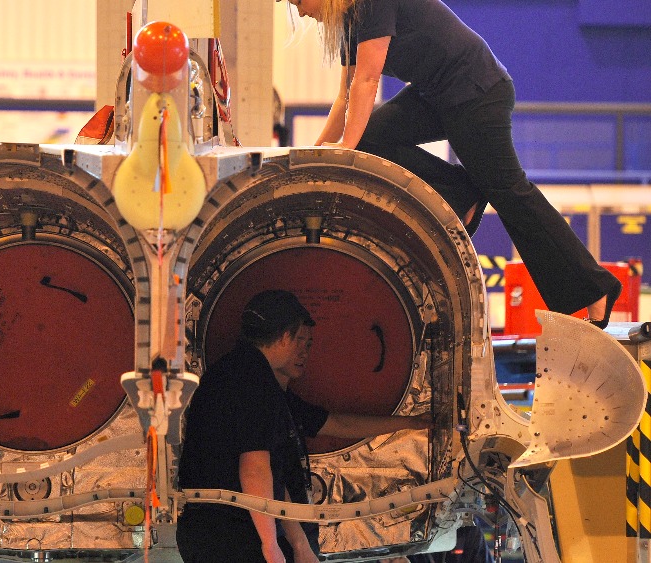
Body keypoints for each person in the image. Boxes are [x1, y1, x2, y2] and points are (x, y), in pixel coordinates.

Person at [282, 0, 621, 328]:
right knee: (368, 139)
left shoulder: (371, 2)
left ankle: (596, 288)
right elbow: (346, 95)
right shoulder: (349, 22)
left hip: (477, 90)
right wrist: (317, 154)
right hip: (436, 95)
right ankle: (462, 192)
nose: (301, 12)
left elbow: (368, 82)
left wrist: (344, 147)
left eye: (299, 2)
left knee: (511, 194)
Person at [176, 290, 432, 563]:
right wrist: (270, 545)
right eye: (301, 340)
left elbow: (331, 427)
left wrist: (410, 422)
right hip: (231, 536)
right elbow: (254, 469)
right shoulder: (252, 380)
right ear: (285, 336)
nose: (305, 352)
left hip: (222, 533)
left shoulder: (249, 379)